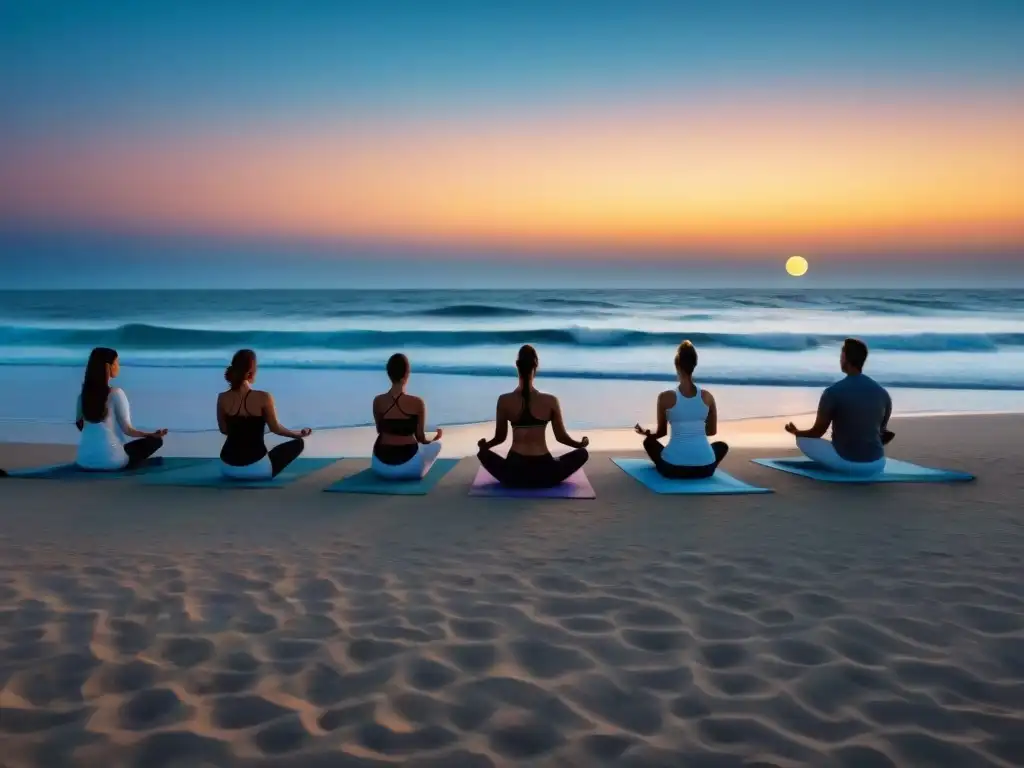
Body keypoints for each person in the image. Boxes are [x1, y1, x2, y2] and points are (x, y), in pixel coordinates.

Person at [477, 345, 589, 488]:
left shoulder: (504, 400)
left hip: (513, 473)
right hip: (545, 473)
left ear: (517, 365)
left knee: (482, 454)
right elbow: (561, 437)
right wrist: (580, 444)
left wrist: (485, 446)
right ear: (536, 366)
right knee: (582, 453)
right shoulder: (550, 401)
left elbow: (500, 438)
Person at [785, 338, 894, 475]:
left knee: (803, 440)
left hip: (848, 464)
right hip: (877, 464)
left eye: (841, 356)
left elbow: (817, 432)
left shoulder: (833, 392)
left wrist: (796, 432)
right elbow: (882, 432)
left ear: (845, 358)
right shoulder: (883, 393)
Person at [634, 340, 728, 479]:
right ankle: (700, 461)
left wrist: (646, 433)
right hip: (706, 469)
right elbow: (711, 432)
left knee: (649, 442)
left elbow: (661, 433)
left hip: (673, 469)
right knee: (721, 446)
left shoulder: (665, 397)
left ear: (676, 365)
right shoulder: (707, 397)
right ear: (694, 365)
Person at [217, 349, 310, 479]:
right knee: (298, 443)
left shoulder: (222, 398)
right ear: (251, 372)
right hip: (257, 469)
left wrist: (250, 430)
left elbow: (224, 430)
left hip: (227, 468)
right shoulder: (264, 397)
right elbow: (276, 428)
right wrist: (298, 434)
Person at [75, 347, 167, 471]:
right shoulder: (116, 393)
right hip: (113, 461)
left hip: (83, 461)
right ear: (109, 366)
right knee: (156, 442)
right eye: (117, 362)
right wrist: (151, 435)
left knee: (119, 446)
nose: (119, 366)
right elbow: (128, 430)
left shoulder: (82, 397)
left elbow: (80, 425)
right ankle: (136, 464)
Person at [371, 353, 443, 480]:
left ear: (388, 374)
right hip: (409, 467)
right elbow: (420, 438)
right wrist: (435, 438)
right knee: (438, 445)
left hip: (380, 466)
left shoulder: (378, 401)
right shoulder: (417, 402)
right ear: (407, 374)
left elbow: (379, 430)